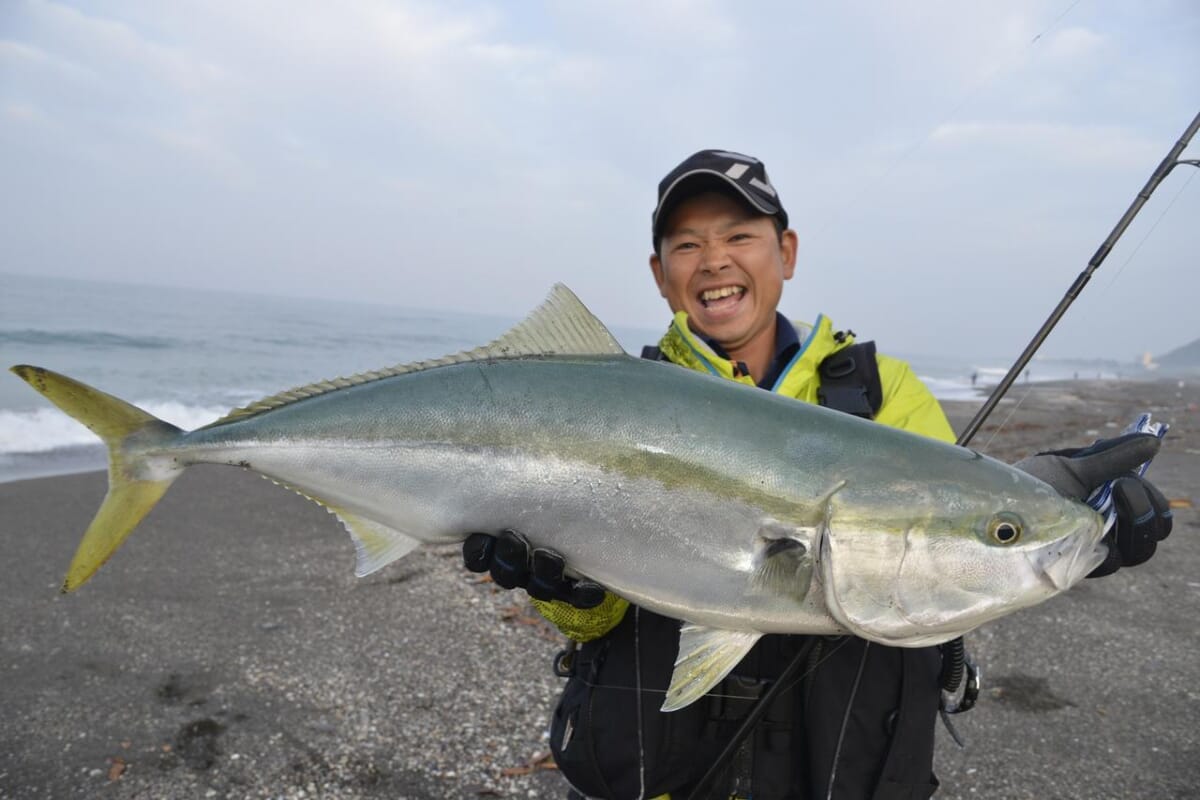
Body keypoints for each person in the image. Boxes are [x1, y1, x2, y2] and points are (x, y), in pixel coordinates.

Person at [463, 150, 1173, 799]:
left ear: (786, 252)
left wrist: (1063, 524)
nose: (714, 260)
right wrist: (564, 589)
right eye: (686, 244)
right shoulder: (613, 400)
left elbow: (944, 525)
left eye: (739, 236)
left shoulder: (884, 394)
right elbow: (596, 615)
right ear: (660, 274)